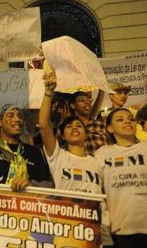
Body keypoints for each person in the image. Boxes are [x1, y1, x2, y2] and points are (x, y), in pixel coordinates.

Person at [39, 72, 113, 246]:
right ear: (62, 137)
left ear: (85, 133)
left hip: (101, 228)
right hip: (69, 227)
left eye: (78, 125)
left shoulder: (98, 161)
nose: (74, 128)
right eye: (69, 126)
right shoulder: (58, 156)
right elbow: (43, 125)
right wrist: (48, 93)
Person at [94, 108, 147, 247]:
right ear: (110, 128)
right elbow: (99, 194)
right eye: (120, 119)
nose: (127, 121)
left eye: (131, 119)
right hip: (120, 231)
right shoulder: (101, 154)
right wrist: (105, 233)